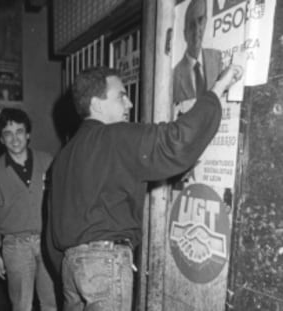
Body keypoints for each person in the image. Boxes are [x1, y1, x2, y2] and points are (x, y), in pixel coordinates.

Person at [47, 64, 243, 310]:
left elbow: (51, 236)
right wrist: (217, 90)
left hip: (70, 267)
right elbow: (176, 142)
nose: (129, 104)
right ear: (97, 104)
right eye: (121, 96)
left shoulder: (63, 156)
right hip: (104, 262)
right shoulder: (115, 136)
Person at [0, 108, 57, 311]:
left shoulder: (47, 161)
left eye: (20, 132)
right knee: (22, 305)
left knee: (51, 302)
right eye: (8, 133)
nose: (15, 139)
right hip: (16, 246)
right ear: (1, 139)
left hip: (47, 243)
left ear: (28, 134)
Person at [173, 0, 223, 104]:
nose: (197, 30)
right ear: (185, 33)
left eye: (200, 20)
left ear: (206, 22)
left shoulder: (216, 58)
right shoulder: (174, 76)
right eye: (191, 25)